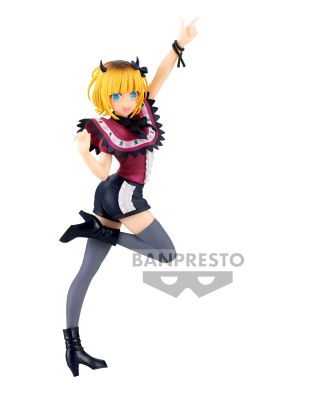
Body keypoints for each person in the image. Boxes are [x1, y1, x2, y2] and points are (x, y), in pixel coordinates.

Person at [59, 18, 199, 377]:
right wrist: (82, 153)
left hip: (108, 196)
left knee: (86, 272)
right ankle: (100, 232)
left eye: (132, 93)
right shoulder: (105, 126)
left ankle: (73, 349)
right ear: (106, 96)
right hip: (122, 195)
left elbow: (162, 75)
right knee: (166, 254)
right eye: (117, 95)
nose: (127, 101)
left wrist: (180, 43)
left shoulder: (142, 111)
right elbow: (103, 171)